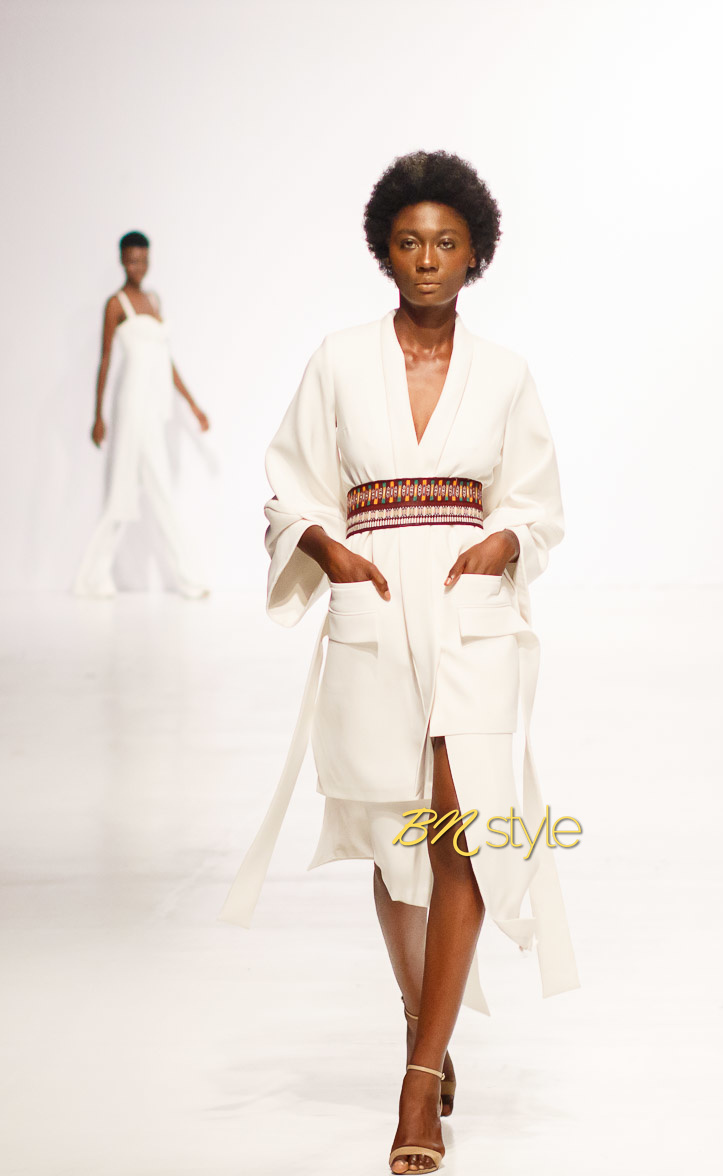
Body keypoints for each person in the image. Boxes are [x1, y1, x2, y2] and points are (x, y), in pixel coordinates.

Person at [219, 151, 580, 1173]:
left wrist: (505, 542)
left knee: (461, 828)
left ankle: (419, 1083)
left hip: (467, 609)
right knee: (395, 839)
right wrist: (329, 552)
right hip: (375, 600)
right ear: (385, 250)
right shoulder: (338, 361)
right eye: (411, 242)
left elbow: (538, 502)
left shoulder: (504, 374)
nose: (428, 259)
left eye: (447, 243)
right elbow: (290, 487)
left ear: (476, 255)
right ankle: (427, 1018)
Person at [73, 230, 210, 598]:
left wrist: (192, 404)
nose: (138, 266)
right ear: (122, 260)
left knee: (154, 488)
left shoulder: (153, 300)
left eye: (144, 259)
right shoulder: (115, 304)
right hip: (131, 406)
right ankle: (99, 578)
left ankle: (98, 577)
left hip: (155, 407)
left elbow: (166, 361)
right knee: (128, 490)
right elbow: (105, 360)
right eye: (132, 260)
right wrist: (98, 415)